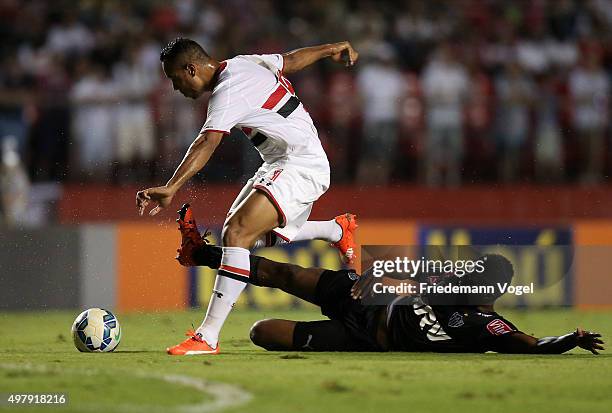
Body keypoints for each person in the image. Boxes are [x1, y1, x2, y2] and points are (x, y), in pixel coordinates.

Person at [136, 38, 360, 355]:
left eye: (176, 79)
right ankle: (336, 230)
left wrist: (171, 187)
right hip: (285, 161)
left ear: (191, 68)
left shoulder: (228, 90)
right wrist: (329, 49)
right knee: (241, 236)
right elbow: (291, 59)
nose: (176, 88)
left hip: (299, 163)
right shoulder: (246, 62)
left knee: (237, 233)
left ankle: (208, 337)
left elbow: (206, 142)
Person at [176, 205, 605, 355]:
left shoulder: (489, 327)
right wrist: (376, 274)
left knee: (261, 332)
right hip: (364, 298)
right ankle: (204, 253)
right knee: (282, 272)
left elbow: (533, 345)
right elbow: (401, 268)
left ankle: (208, 255)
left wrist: (569, 339)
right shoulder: (449, 282)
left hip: (365, 337)